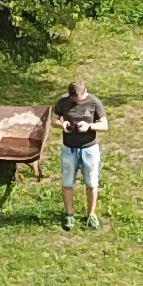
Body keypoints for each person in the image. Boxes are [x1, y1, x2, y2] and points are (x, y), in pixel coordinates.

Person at [50, 75, 107, 230]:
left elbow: (104, 125)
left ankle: (91, 215)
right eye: (74, 99)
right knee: (68, 182)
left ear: (85, 92)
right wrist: (62, 125)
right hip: (69, 149)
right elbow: (53, 120)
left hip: (89, 149)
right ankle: (69, 215)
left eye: (79, 98)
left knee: (91, 182)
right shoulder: (63, 101)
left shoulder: (94, 102)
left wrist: (89, 126)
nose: (76, 101)